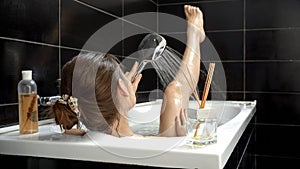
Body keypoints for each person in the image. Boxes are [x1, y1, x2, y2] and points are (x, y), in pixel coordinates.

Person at [50, 5, 205, 137]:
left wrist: (121, 97)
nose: (127, 76)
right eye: (123, 76)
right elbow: (180, 86)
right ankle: (195, 35)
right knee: (173, 92)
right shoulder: (165, 140)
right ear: (122, 88)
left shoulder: (77, 135)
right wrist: (179, 139)